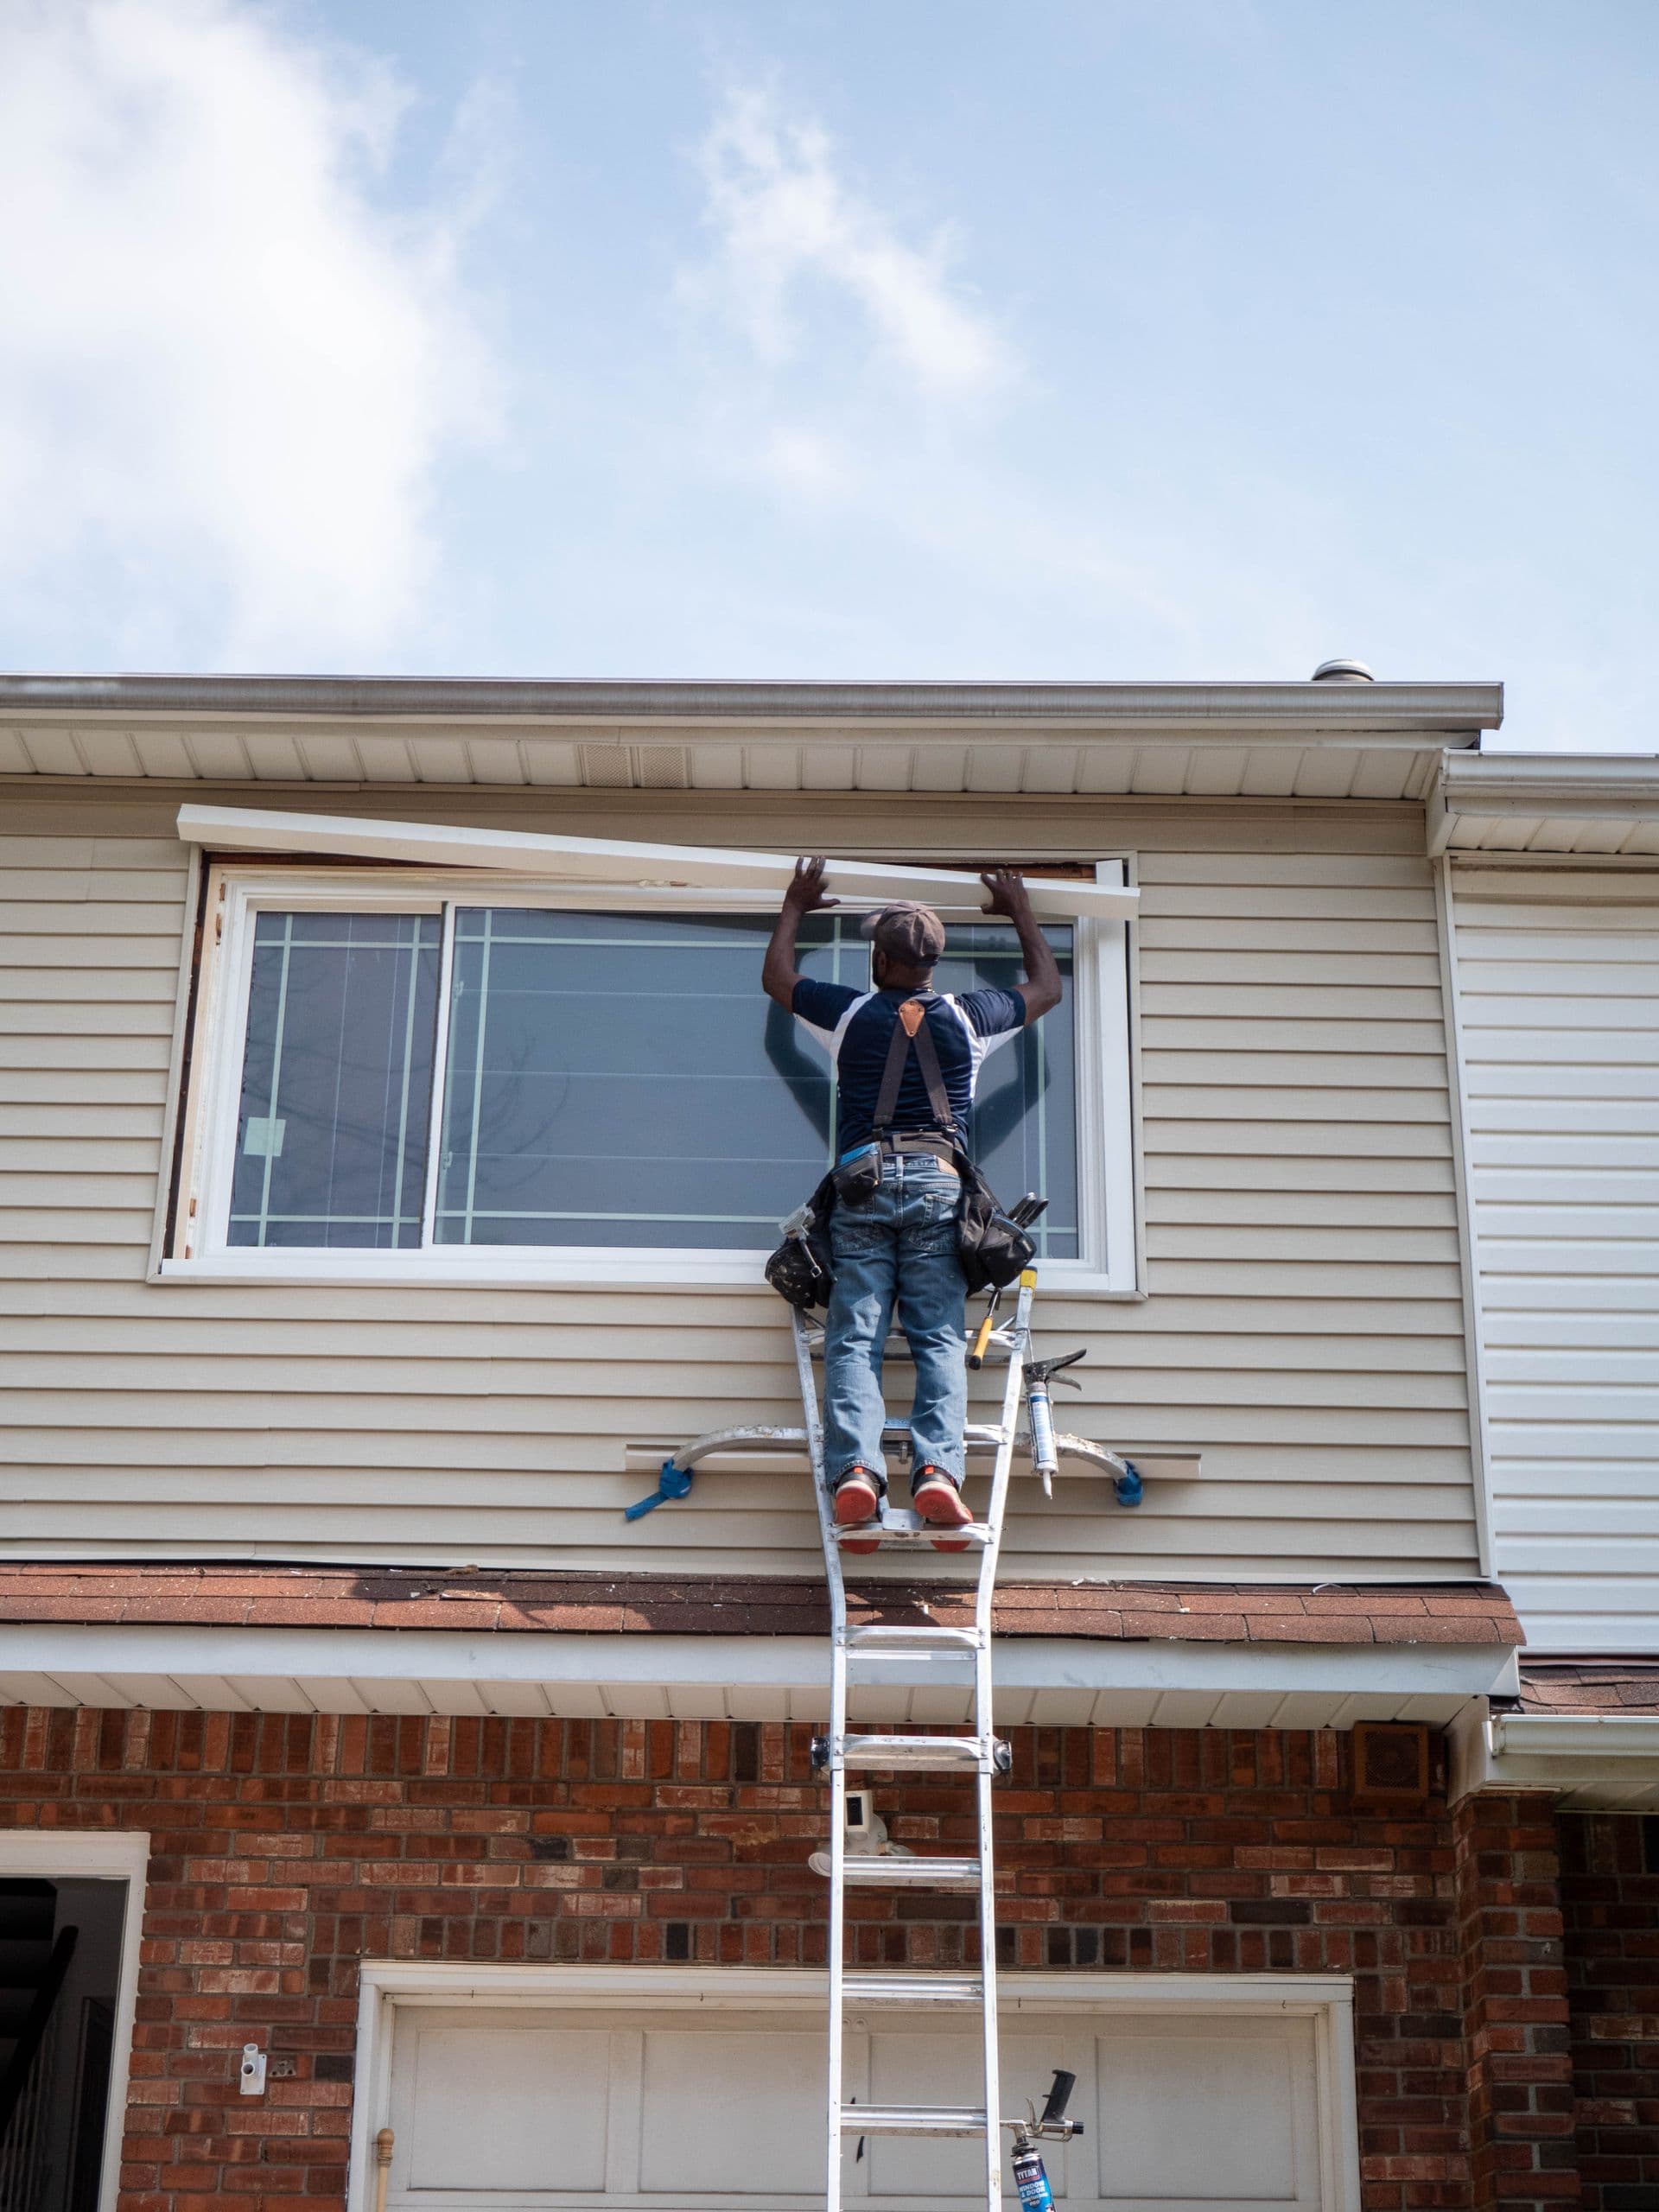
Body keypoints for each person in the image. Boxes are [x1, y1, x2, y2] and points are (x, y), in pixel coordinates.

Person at [762, 861, 1063, 1550]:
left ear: (880, 956)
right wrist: (1018, 909)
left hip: (861, 1184)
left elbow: (777, 983)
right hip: (937, 1185)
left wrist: (794, 907)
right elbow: (1046, 989)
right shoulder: (968, 1017)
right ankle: (936, 1473)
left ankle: (858, 1476)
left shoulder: (849, 1014)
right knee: (935, 1340)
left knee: (855, 1340)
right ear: (932, 960)